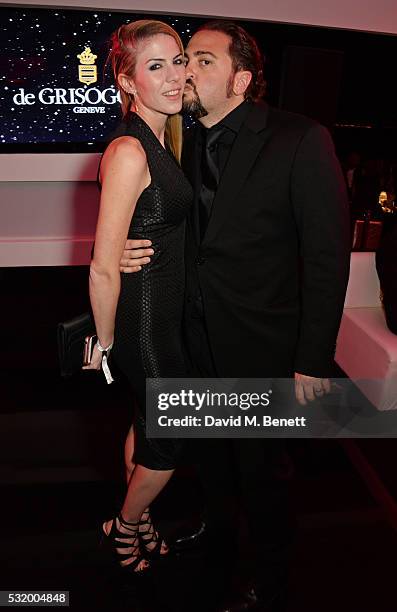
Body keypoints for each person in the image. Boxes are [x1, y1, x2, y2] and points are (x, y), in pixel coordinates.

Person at [120, 20, 351, 610]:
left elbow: (325, 256)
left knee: (263, 474)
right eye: (178, 61)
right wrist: (125, 245)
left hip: (263, 345)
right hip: (192, 336)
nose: (183, 73)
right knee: (212, 457)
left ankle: (271, 582)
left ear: (241, 79)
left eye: (199, 60)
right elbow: (167, 225)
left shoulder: (300, 138)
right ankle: (216, 534)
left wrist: (312, 358)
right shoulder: (179, 138)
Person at [84, 20, 192, 574]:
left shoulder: (162, 136)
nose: (175, 76)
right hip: (141, 323)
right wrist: (104, 343)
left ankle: (139, 517)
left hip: (160, 315)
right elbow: (103, 267)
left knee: (146, 425)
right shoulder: (129, 148)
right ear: (126, 82)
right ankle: (125, 526)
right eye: (155, 67)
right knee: (170, 437)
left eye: (177, 60)